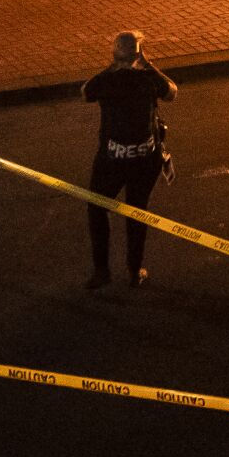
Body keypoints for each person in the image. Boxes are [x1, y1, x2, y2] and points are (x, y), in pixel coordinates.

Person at [81, 31, 177, 290]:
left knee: (97, 208)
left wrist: (112, 66)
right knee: (137, 212)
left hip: (111, 160)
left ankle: (102, 271)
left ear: (115, 56)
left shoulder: (107, 81)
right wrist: (148, 64)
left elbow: (84, 92)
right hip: (145, 160)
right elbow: (172, 92)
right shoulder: (148, 79)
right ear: (139, 55)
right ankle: (134, 271)